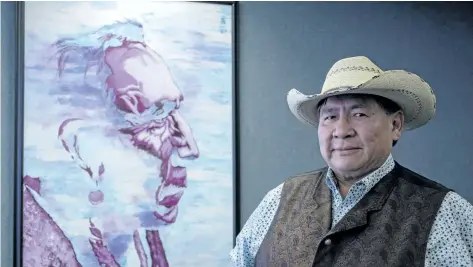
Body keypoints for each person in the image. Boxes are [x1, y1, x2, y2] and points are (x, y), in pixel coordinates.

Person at [230, 56, 473, 267]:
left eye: (359, 114)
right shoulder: (280, 199)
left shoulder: (443, 211)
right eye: (330, 116)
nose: (341, 130)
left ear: (395, 125)